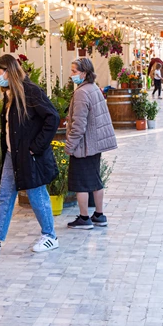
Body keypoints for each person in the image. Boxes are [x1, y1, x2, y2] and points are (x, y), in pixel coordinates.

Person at [0, 54, 60, 255]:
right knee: (5, 196)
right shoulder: (10, 93)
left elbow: (52, 118)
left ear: (9, 71)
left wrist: (36, 146)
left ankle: (50, 236)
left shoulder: (31, 91)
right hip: (13, 154)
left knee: (37, 194)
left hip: (30, 155)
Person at [65, 58, 118, 230]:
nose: (71, 75)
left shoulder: (81, 93)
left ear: (84, 73)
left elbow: (79, 125)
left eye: (74, 71)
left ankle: (84, 218)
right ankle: (99, 215)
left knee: (80, 183)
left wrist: (70, 145)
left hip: (83, 145)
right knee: (95, 180)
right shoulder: (94, 88)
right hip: (95, 144)